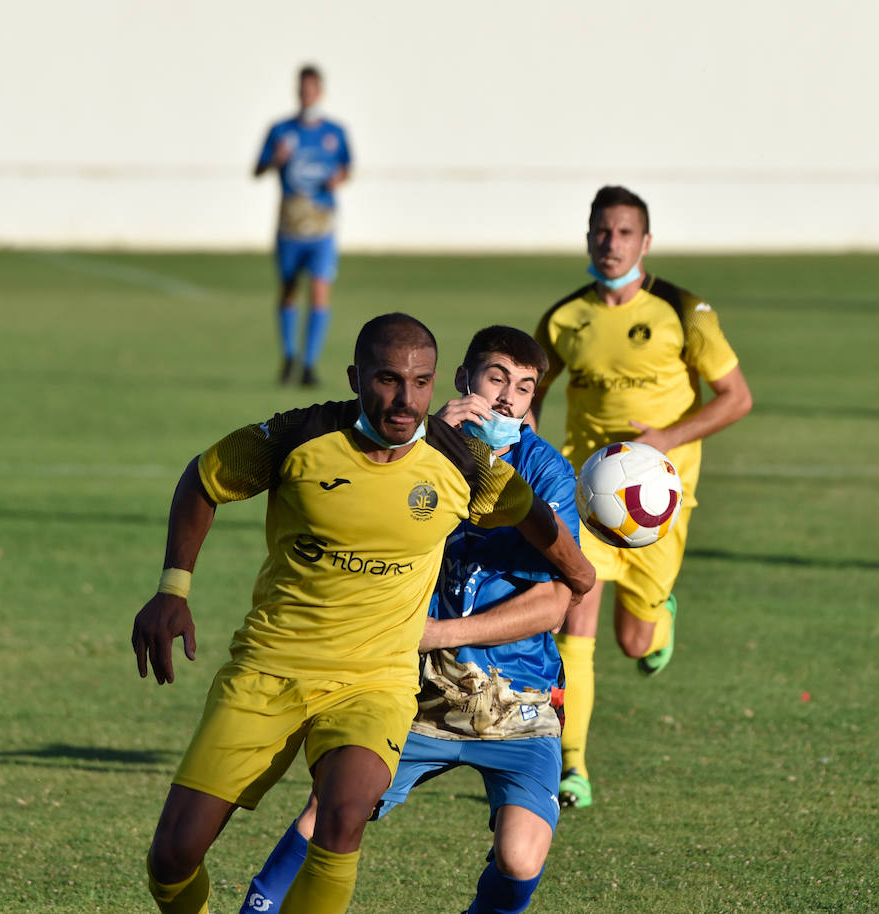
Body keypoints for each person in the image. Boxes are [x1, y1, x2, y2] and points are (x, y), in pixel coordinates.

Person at [131, 313, 594, 914]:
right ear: (356, 377)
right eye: (387, 380)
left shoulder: (460, 459)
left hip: (375, 682)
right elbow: (202, 479)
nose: (405, 401)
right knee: (172, 858)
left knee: (344, 817)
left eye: (420, 383)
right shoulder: (298, 437)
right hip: (270, 668)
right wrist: (173, 589)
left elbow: (531, 514)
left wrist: (580, 573)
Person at [530, 185, 753, 810]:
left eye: (624, 233)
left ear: (645, 242)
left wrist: (664, 439)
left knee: (635, 641)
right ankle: (571, 767)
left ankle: (661, 620)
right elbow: (533, 391)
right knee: (576, 617)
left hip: (659, 506)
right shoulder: (562, 318)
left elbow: (737, 398)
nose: (611, 244)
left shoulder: (686, 310)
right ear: (588, 237)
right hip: (586, 499)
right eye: (601, 232)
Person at [253, 64, 352, 388]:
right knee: (289, 290)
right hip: (290, 224)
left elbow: (347, 168)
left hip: (322, 225)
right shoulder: (281, 130)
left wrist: (339, 178)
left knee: (320, 290)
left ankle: (310, 364)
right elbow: (258, 168)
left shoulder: (334, 132)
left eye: (312, 89)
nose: (307, 95)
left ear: (320, 92)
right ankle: (289, 355)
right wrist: (275, 161)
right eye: (302, 89)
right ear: (298, 92)